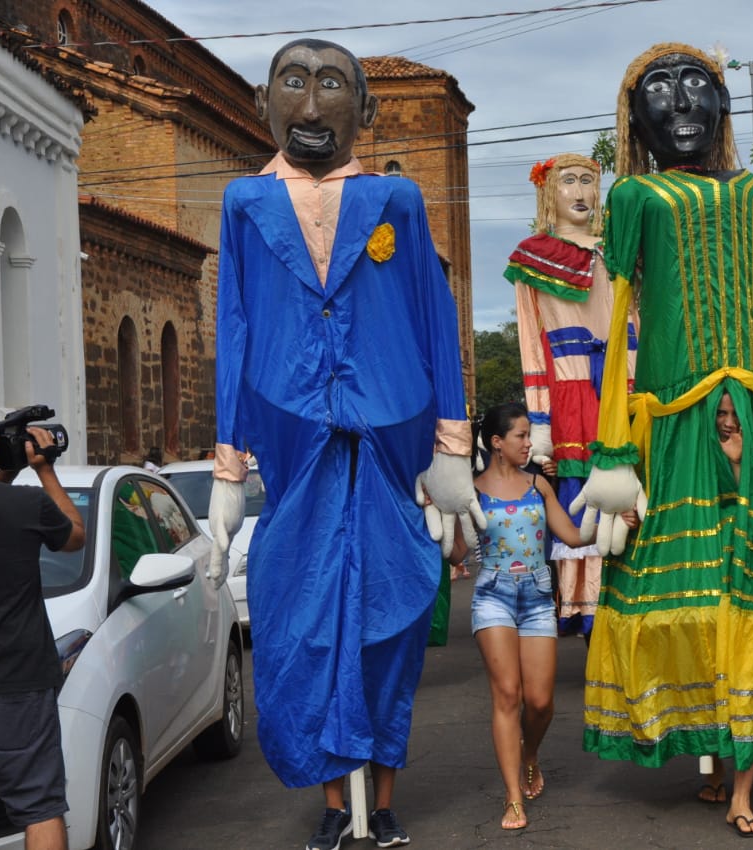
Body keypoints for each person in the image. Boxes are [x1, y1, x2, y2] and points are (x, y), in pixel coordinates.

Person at [208, 38, 479, 850]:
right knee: (305, 632)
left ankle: (383, 799)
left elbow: (434, 317)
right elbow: (234, 326)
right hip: (295, 440)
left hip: (386, 436)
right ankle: (334, 804)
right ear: (263, 103)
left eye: (331, 85)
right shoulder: (243, 203)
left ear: (364, 109)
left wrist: (452, 446)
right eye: (293, 83)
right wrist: (229, 464)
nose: (311, 104)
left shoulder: (396, 198)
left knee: (389, 628)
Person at [574, 42, 753, 839]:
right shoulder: (634, 196)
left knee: (752, 598)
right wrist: (614, 451)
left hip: (751, 411)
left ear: (722, 104)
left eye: (696, 85)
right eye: (659, 89)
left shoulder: (749, 193)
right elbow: (619, 325)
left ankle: (740, 777)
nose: (681, 102)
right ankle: (705, 753)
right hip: (674, 417)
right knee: (674, 602)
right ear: (634, 117)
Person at [449, 403, 637, 830]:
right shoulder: (471, 491)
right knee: (507, 695)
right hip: (492, 597)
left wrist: (617, 521)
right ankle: (513, 797)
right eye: (520, 436)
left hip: (536, 598)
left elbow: (572, 535)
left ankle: (530, 752)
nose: (529, 443)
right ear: (497, 443)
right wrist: (439, 511)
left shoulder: (540, 486)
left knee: (540, 702)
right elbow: (458, 553)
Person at [504, 153, 636, 640]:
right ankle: (590, 618)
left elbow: (638, 323)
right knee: (582, 504)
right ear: (547, 192)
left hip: (625, 390)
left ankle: (631, 609)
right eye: (568, 181)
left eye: (587, 181)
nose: (580, 192)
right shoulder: (533, 256)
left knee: (633, 497)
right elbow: (530, 345)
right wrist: (540, 424)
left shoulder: (619, 252)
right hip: (571, 394)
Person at [0, 428, 85, 850]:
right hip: (17, 683)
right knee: (40, 807)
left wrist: (4, 476)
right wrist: (44, 470)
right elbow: (75, 536)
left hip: (17, 684)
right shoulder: (24, 505)